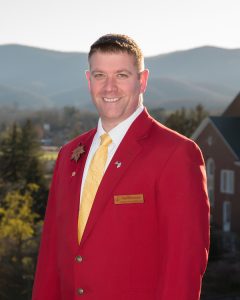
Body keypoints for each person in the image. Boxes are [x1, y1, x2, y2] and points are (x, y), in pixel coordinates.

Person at [32, 34, 210, 300]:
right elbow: (50, 256)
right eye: (100, 75)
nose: (109, 88)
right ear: (88, 80)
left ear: (143, 80)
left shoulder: (176, 153)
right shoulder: (69, 154)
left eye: (122, 75)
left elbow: (183, 264)